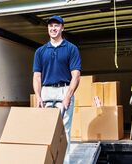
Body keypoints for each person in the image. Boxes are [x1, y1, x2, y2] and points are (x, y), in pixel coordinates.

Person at [32, 15, 81, 163]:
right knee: (46, 130)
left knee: (64, 130)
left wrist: (68, 96)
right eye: (50, 26)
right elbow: (37, 77)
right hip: (46, 91)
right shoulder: (40, 51)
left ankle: (64, 161)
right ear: (48, 29)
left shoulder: (71, 49)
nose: (53, 28)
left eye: (56, 25)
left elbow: (76, 75)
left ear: (62, 28)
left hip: (63, 90)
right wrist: (38, 96)